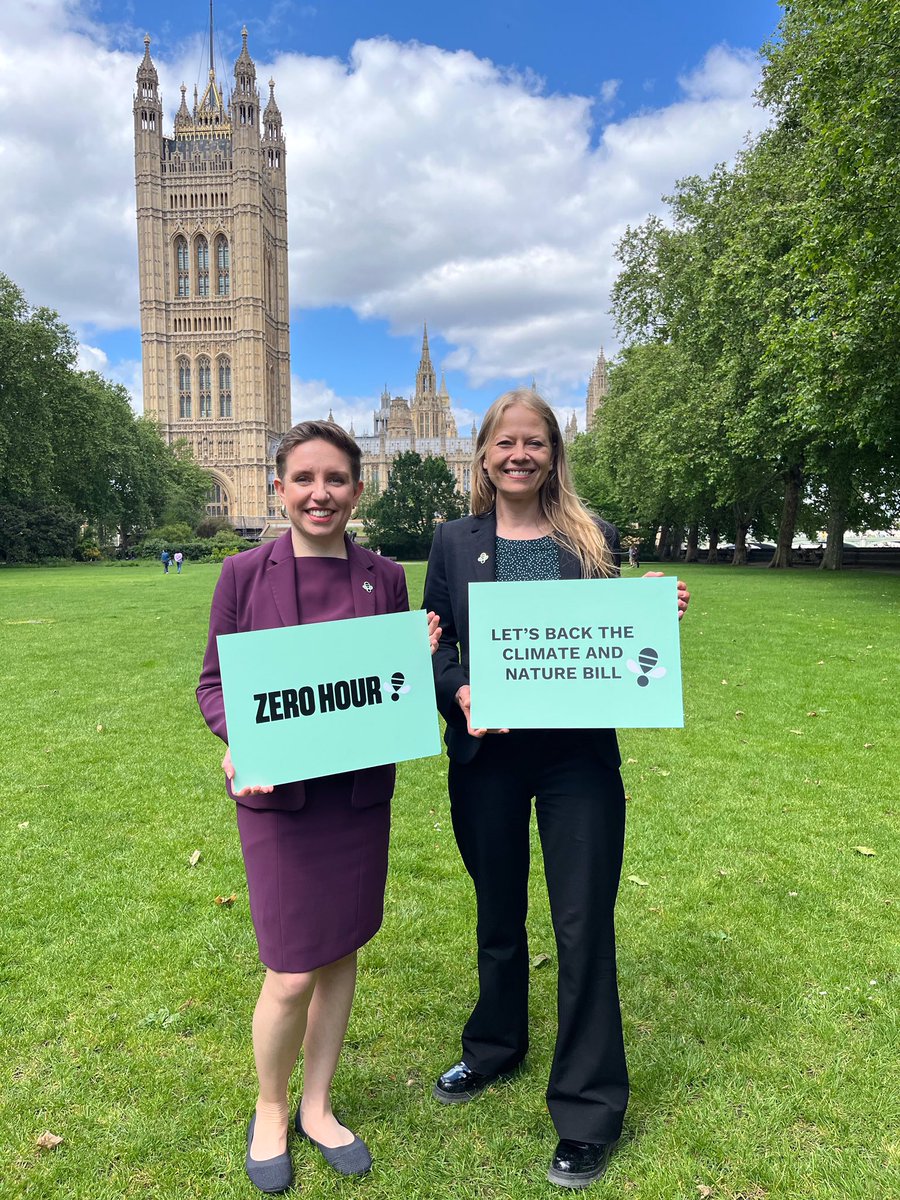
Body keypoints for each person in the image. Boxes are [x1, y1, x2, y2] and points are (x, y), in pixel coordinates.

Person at [423, 389, 689, 1189]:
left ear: (553, 453)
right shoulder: (452, 540)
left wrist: (658, 611)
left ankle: (587, 1108)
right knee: (497, 913)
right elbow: (434, 646)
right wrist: (461, 689)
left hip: (577, 763)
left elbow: (613, 636)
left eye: (533, 442)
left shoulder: (592, 535)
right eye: (505, 443)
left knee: (582, 926)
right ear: (483, 455)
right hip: (488, 760)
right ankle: (495, 1049)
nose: (519, 455)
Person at [197, 420, 440, 1194]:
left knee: (340, 954)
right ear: (279, 487)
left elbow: (389, 687)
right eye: (303, 479)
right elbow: (215, 684)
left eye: (335, 479)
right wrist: (240, 737)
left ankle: (318, 1104)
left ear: (356, 489)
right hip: (281, 803)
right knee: (291, 969)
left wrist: (419, 656)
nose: (320, 493)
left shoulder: (385, 577)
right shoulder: (243, 573)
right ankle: (270, 1107)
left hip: (358, 800)